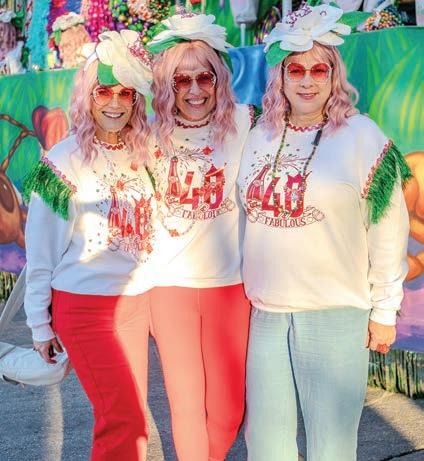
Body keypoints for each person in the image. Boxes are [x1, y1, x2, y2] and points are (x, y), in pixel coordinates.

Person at [237, 4, 411, 461]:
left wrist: (385, 309)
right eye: (296, 69)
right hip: (267, 313)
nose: (308, 81)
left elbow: (389, 228)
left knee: (331, 447)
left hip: (335, 311)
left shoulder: (362, 136)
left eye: (319, 70)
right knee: (265, 443)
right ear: (280, 76)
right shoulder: (258, 134)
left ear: (335, 76)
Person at [23, 31, 155, 461]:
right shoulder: (62, 161)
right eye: (104, 91)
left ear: (136, 100)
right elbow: (40, 253)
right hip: (84, 308)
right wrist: (39, 325)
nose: (115, 103)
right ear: (87, 95)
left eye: (125, 93)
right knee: (124, 418)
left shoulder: (144, 153)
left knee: (127, 422)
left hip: (134, 304)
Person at [145, 12, 254, 461]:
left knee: (229, 410)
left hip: (230, 286)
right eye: (181, 80)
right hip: (168, 288)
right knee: (186, 405)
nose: (194, 90)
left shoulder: (245, 123)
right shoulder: (147, 135)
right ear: (166, 86)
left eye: (204, 78)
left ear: (219, 80)